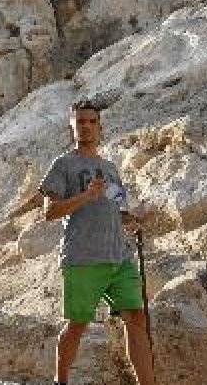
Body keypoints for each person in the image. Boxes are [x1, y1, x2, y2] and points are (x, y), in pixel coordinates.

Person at [39, 99, 154, 385]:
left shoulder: (110, 168)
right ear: (71, 126)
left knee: (137, 319)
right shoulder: (63, 164)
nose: (86, 127)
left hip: (119, 256)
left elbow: (117, 211)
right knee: (78, 325)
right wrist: (85, 197)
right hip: (83, 256)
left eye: (91, 122)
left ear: (100, 127)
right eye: (80, 122)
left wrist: (136, 216)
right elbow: (49, 212)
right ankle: (60, 381)